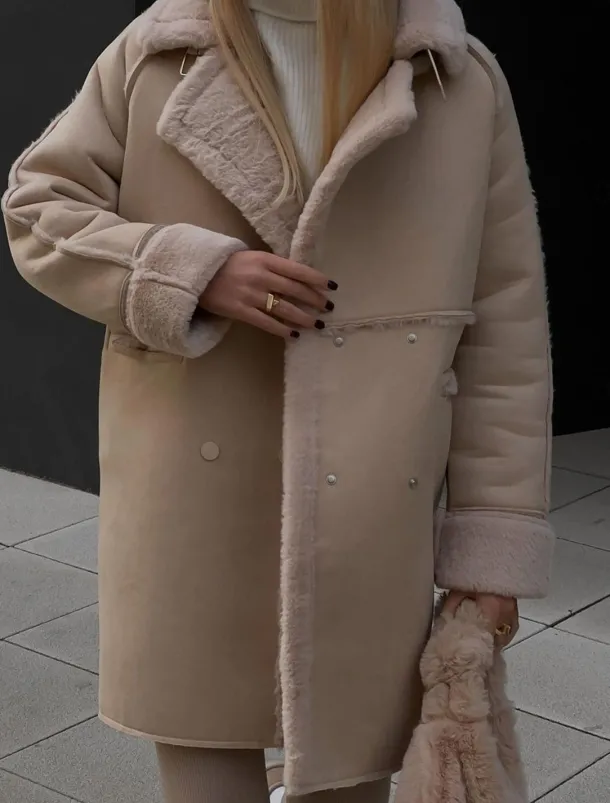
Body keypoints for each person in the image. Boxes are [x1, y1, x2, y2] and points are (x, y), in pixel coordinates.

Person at [2, 0, 554, 801]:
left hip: (370, 518)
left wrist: (491, 548)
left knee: (349, 772)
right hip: (191, 505)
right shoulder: (159, 49)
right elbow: (37, 206)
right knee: (204, 766)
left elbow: (506, 333)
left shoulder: (456, 80)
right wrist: (182, 271)